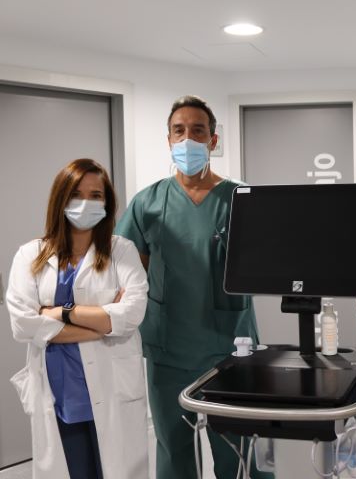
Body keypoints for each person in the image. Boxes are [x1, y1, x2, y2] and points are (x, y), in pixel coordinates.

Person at [115, 95, 271, 479]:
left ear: (213, 140)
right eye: (179, 131)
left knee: (239, 451)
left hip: (231, 347)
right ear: (169, 140)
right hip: (168, 350)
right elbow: (129, 274)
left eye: (198, 131)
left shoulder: (243, 199)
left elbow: (267, 266)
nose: (188, 139)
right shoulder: (148, 203)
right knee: (174, 450)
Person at [6, 158, 149, 479]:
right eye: (76, 194)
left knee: (116, 470)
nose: (86, 203)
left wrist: (61, 313)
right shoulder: (30, 255)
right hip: (60, 393)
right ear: (60, 198)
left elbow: (132, 314)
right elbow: (23, 325)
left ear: (107, 203)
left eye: (96, 195)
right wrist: (103, 325)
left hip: (113, 389)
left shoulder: (122, 252)